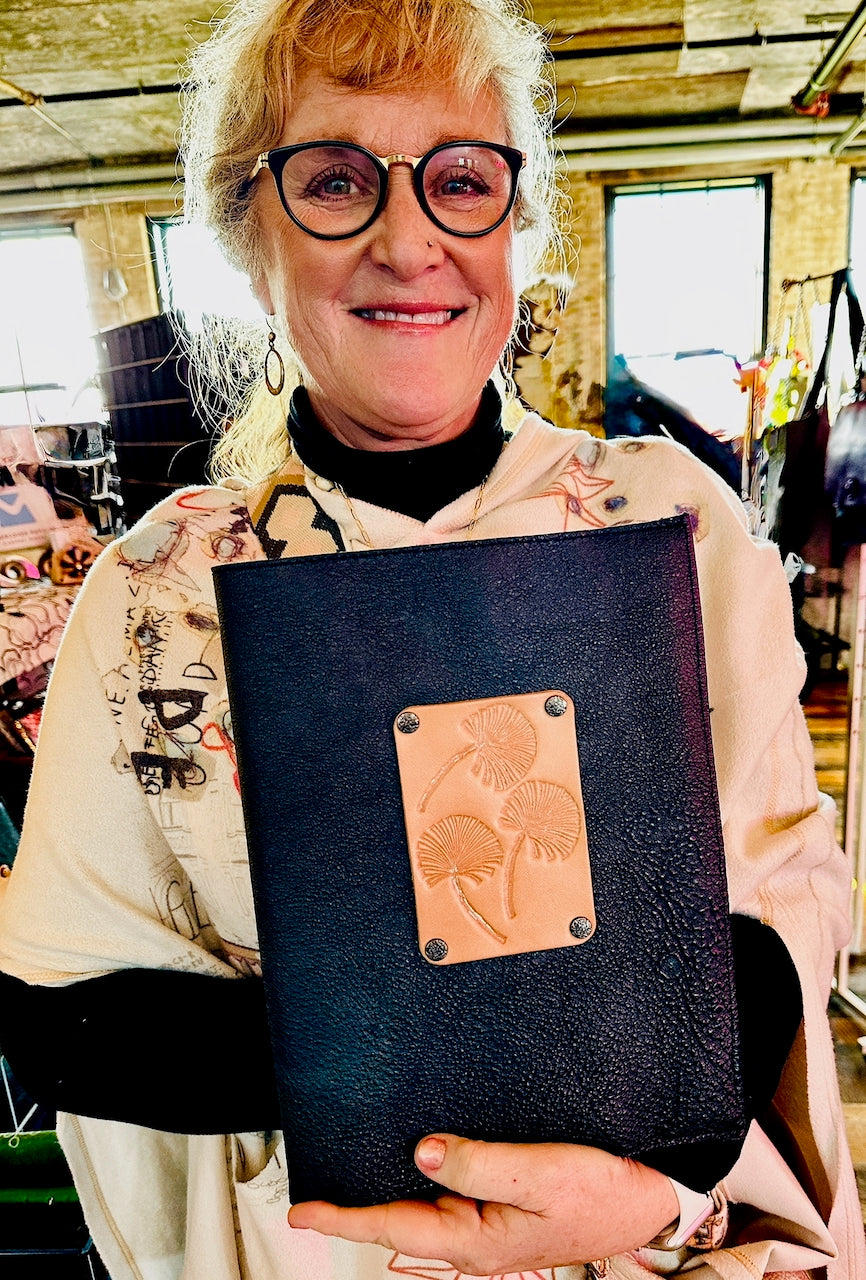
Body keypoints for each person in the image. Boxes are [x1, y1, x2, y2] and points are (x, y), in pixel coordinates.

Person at [0, 0, 862, 1276]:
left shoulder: (673, 530)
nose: (408, 242)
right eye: (335, 179)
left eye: (460, 179)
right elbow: (68, 1017)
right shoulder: (152, 601)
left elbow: (769, 926)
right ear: (249, 235)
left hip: (647, 1231)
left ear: (515, 222)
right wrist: (481, 1070)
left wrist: (647, 1192)